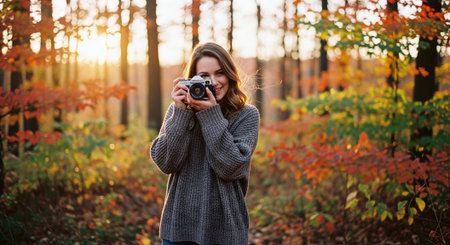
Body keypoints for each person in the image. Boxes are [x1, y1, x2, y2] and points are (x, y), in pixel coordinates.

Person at [150, 42, 260, 245]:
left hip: (225, 231)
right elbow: (166, 163)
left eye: (220, 73)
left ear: (230, 74)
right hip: (178, 228)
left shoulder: (246, 115)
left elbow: (230, 167)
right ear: (192, 80)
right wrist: (181, 113)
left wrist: (210, 115)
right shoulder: (178, 111)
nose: (214, 82)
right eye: (205, 76)